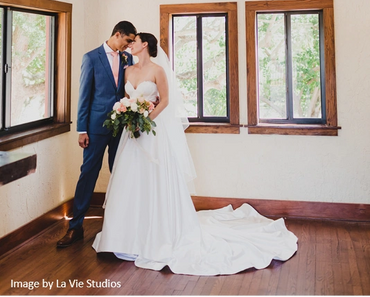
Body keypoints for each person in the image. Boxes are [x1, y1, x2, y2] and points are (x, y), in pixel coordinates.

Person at [92, 33, 298, 275]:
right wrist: (128, 116)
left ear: (144, 44)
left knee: (156, 179)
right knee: (130, 180)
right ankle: (126, 236)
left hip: (151, 131)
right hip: (131, 134)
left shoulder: (158, 70)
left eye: (133, 41)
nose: (129, 45)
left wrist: (145, 120)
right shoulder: (127, 71)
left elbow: (165, 101)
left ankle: (159, 233)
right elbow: (127, 99)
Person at [57, 21, 137, 248]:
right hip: (94, 128)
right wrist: (82, 129)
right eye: (128, 40)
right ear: (118, 34)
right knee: (88, 174)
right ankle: (75, 228)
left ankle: (120, 226)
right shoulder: (90, 58)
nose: (130, 46)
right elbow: (84, 95)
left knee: (120, 174)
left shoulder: (127, 59)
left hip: (120, 127)